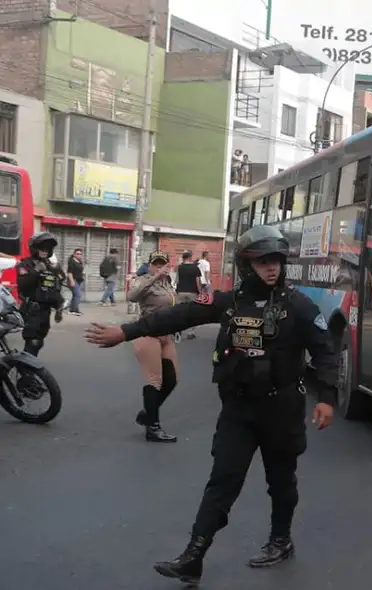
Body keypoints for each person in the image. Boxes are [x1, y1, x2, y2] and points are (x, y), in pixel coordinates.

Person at [83, 225, 339, 584]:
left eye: (277, 261)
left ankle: (281, 540)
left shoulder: (297, 305)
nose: (272, 268)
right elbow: (179, 315)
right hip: (238, 410)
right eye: (263, 261)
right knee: (222, 482)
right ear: (248, 264)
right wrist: (127, 331)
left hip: (281, 410)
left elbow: (326, 350)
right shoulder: (229, 301)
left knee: (281, 481)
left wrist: (327, 398)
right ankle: (194, 555)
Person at [124, 251, 182, 442]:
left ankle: (147, 412)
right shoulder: (144, 281)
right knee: (154, 381)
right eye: (156, 264)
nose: (159, 267)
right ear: (149, 265)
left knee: (172, 379)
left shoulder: (167, 283)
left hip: (166, 335)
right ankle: (153, 428)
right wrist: (155, 276)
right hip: (147, 334)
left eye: (162, 264)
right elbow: (131, 297)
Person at [16, 232, 65, 356]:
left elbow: (56, 285)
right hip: (32, 309)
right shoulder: (26, 264)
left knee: (39, 340)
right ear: (34, 248)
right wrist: (36, 271)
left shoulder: (50, 265)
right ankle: (26, 369)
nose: (45, 251)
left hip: (45, 310)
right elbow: (23, 284)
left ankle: (28, 364)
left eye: (48, 248)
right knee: (32, 341)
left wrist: (59, 305)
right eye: (41, 248)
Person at [175, 251, 202, 340]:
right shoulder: (195, 268)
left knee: (179, 312)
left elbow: (177, 280)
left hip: (181, 292)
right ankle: (191, 332)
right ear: (190, 258)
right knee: (193, 313)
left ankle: (178, 330)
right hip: (192, 292)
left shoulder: (179, 267)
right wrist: (200, 292)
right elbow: (198, 281)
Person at [66, 248, 85, 316]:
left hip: (78, 280)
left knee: (75, 295)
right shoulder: (71, 262)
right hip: (73, 280)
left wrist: (83, 275)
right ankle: (72, 310)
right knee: (78, 295)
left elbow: (79, 271)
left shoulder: (79, 261)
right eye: (77, 254)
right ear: (74, 254)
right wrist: (72, 281)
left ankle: (75, 310)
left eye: (80, 254)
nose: (79, 255)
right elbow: (69, 272)